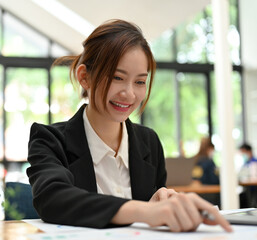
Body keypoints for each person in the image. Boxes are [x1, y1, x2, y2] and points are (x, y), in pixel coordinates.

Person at [27, 19, 232, 232]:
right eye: (117, 77)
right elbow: (53, 199)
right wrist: (145, 211)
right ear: (84, 77)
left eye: (140, 81)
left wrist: (162, 201)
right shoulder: (49, 140)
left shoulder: (149, 142)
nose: (130, 94)